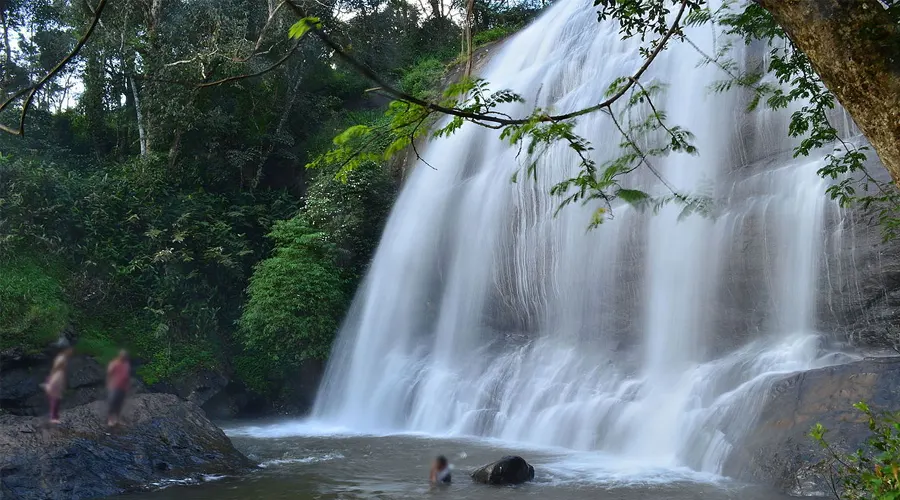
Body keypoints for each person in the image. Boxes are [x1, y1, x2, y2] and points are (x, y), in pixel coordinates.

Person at [42, 347, 73, 424]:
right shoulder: (61, 358)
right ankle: (53, 417)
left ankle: (55, 416)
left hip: (58, 378)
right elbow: (55, 368)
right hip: (55, 378)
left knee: (57, 398)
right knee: (55, 398)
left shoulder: (63, 359)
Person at [106, 350, 131, 427]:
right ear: (119, 356)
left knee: (119, 404)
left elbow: (127, 376)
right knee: (112, 402)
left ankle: (117, 419)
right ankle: (110, 419)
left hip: (123, 387)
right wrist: (108, 384)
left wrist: (127, 386)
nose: (124, 358)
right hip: (114, 386)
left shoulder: (126, 364)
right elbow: (109, 374)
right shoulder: (114, 363)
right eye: (123, 356)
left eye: (125, 357)